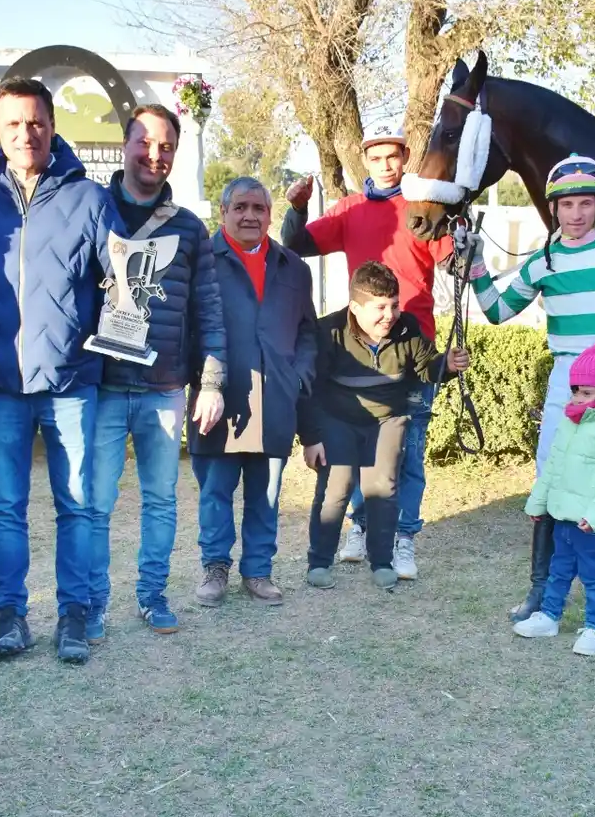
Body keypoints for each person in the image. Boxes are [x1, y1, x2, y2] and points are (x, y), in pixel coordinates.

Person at [0, 77, 125, 664]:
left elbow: (125, 285)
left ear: (52, 127)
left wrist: (100, 344)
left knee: (76, 504)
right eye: (13, 124)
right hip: (3, 386)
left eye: (36, 122)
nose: (26, 134)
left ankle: (73, 616)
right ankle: (11, 616)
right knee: (6, 506)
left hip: (71, 384)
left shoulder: (89, 199)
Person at [463, 155, 595, 635]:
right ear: (553, 208)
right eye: (567, 205)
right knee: (554, 482)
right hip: (566, 378)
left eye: (585, 204)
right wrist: (475, 262)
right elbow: (497, 311)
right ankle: (541, 591)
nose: (576, 214)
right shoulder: (543, 261)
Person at [282, 124, 452, 580]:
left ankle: (404, 538)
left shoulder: (424, 209)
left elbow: (455, 259)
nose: (385, 165)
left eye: (393, 156)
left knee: (408, 454)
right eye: (376, 158)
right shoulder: (350, 209)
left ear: (405, 158)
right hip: (360, 346)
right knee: (357, 451)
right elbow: (297, 245)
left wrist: (463, 235)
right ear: (367, 163)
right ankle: (361, 525)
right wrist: (296, 210)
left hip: (413, 347)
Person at [88, 104, 226, 637]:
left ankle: (152, 595)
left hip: (164, 386)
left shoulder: (190, 229)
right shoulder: (91, 210)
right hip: (99, 384)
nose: (155, 154)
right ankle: (94, 603)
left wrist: (210, 382)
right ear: (125, 145)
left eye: (166, 145)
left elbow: (209, 310)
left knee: (162, 499)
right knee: (96, 503)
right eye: (145, 142)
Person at [300, 262, 469, 591]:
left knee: (383, 490)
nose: (389, 315)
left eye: (394, 305)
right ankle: (319, 561)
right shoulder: (329, 332)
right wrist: (311, 436)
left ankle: (381, 561)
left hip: (388, 419)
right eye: (379, 307)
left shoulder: (407, 328)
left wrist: (445, 365)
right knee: (336, 488)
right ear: (355, 307)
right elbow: (310, 389)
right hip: (338, 419)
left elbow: (425, 367)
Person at [190, 177, 318, 607]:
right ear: (224, 213)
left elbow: (307, 333)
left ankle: (258, 571)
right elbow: (188, 331)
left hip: (276, 399)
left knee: (267, 493)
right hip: (221, 399)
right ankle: (215, 569)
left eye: (258, 209)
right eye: (240, 207)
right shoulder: (201, 261)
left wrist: (297, 374)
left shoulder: (294, 269)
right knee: (216, 493)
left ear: (269, 214)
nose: (249, 216)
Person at [511, 343, 595, 656]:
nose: (578, 399)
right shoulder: (570, 422)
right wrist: (538, 503)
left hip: (589, 523)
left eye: (587, 393)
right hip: (562, 516)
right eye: (576, 391)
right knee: (559, 568)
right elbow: (553, 467)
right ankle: (550, 616)